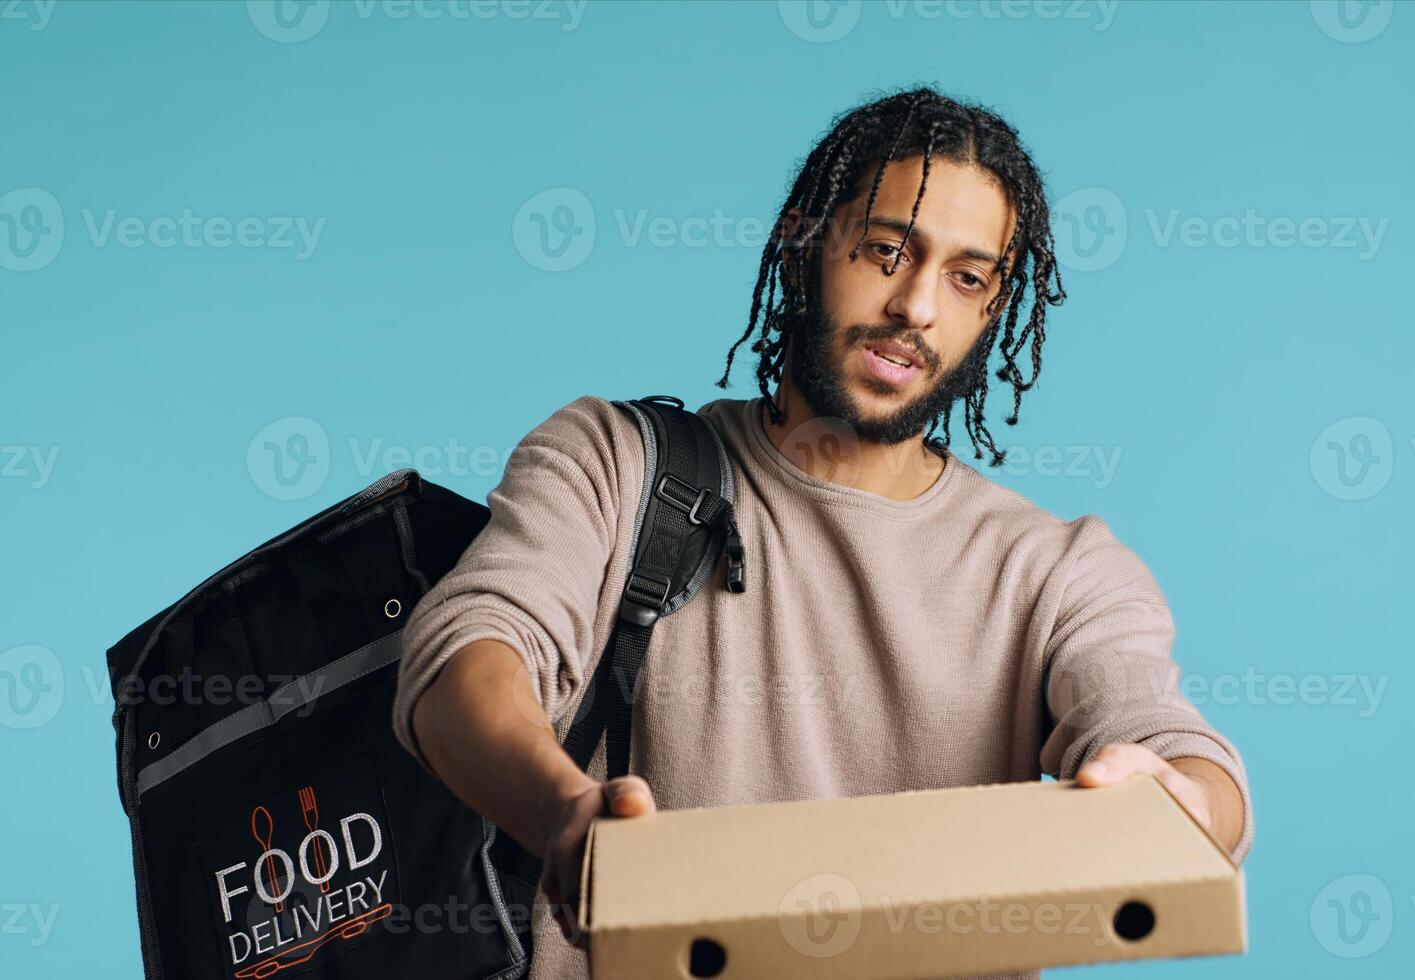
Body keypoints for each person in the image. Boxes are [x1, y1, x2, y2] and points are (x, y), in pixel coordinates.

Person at [393, 84, 1252, 980]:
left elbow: (1160, 732)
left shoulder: (1055, 570)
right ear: (802, 243)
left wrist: (1181, 799)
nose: (916, 307)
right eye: (887, 249)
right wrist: (559, 810)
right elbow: (470, 650)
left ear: (992, 309)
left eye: (965, 277)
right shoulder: (614, 464)